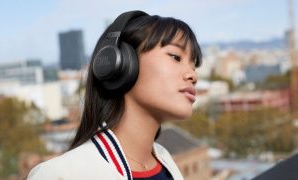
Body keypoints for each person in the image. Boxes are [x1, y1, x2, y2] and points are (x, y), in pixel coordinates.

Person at [27, 10, 202, 180]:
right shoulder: (60, 175)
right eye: (176, 57)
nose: (192, 75)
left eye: (193, 66)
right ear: (121, 64)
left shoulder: (166, 163)